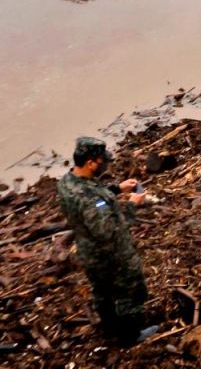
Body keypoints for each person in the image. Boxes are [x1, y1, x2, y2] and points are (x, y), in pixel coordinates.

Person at [57, 137, 151, 344]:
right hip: (111, 256)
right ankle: (131, 336)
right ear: (90, 162)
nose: (105, 165)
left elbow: (92, 199)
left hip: (88, 252)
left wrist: (117, 189)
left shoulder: (67, 182)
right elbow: (107, 230)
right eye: (102, 162)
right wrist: (132, 205)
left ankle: (109, 327)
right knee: (128, 292)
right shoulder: (89, 198)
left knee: (102, 292)